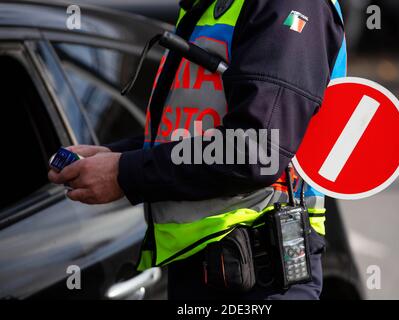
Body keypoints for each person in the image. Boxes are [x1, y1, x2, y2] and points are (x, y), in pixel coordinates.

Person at [49, 0, 346, 300]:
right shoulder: (213, 5)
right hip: (209, 265)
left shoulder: (288, 5)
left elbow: (256, 149)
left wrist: (124, 172)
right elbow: (197, 132)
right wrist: (121, 157)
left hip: (263, 273)